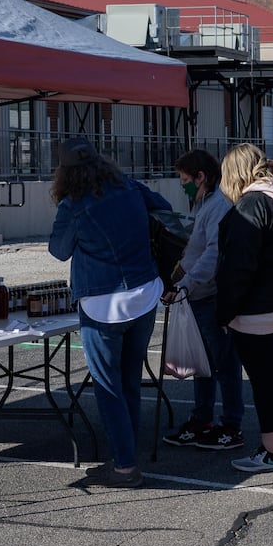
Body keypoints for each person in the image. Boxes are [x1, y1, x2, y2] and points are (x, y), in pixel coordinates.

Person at [47, 136, 172, 488]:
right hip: (145, 294)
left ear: (65, 172)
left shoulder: (74, 204)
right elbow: (163, 208)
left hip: (103, 304)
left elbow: (58, 251)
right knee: (130, 381)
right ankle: (126, 454)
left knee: (108, 386)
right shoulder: (129, 186)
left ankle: (124, 465)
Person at [215, 145, 273, 473]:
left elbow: (236, 267)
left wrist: (224, 313)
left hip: (260, 308)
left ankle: (272, 453)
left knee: (263, 380)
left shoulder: (251, 205)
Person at [162, 149, 246, 452]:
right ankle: (202, 419)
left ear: (202, 177)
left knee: (224, 364)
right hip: (197, 295)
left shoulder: (218, 205)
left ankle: (231, 424)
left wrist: (186, 283)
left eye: (186, 180)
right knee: (203, 364)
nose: (182, 185)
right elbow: (196, 248)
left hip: (210, 296)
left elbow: (212, 253)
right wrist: (179, 275)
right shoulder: (204, 203)